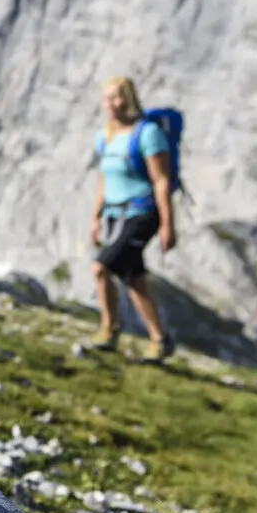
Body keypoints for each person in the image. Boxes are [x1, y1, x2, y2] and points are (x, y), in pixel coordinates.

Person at [88, 76, 176, 362]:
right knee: (134, 280)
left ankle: (109, 328)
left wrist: (167, 223)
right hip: (114, 213)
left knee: (101, 268)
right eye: (106, 98)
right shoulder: (105, 136)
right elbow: (105, 178)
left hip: (142, 212)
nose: (111, 104)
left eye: (116, 97)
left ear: (129, 98)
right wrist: (95, 215)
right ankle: (160, 339)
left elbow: (161, 180)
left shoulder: (148, 133)